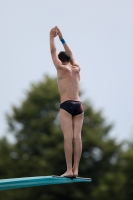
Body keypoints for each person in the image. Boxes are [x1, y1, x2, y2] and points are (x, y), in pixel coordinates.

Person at [50, 26, 84, 177]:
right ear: (70, 59)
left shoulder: (60, 68)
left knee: (67, 138)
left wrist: (51, 37)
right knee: (77, 137)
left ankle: (69, 169)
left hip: (66, 105)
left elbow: (52, 52)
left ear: (60, 60)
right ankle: (76, 170)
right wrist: (62, 38)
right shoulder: (76, 68)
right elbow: (71, 54)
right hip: (79, 105)